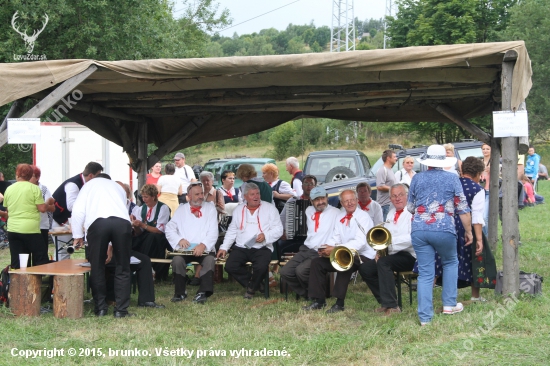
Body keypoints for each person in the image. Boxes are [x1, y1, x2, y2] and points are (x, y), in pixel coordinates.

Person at [407, 144, 472, 326]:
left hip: (419, 229)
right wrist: (468, 231)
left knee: (426, 273)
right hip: (445, 228)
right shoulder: (452, 178)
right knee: (450, 262)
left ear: (427, 162)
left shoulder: (417, 178)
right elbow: (463, 208)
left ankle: (425, 318)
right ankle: (449, 304)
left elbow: (410, 207)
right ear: (444, 161)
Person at [71, 173, 133, 318]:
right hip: (122, 223)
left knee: (97, 267)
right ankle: (121, 310)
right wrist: (110, 245)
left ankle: (101, 308)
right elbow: (120, 211)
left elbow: (78, 211)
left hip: (98, 223)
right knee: (123, 268)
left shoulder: (88, 186)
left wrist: (77, 235)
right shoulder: (118, 187)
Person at [303, 189, 375, 313]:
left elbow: (360, 242)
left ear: (357, 201)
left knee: (345, 262)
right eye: (346, 201)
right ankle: (319, 300)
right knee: (317, 262)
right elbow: (335, 237)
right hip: (344, 251)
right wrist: (325, 248)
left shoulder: (363, 217)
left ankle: (339, 303)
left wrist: (336, 249)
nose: (350, 203)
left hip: (363, 254)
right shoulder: (340, 215)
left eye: (352, 200)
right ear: (341, 203)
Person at [103, 181, 165, 309]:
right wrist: (110, 247)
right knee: (117, 262)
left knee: (145, 260)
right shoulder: (107, 206)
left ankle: (146, 300)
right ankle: (107, 298)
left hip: (123, 246)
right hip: (107, 248)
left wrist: (135, 225)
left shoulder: (129, 207)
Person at [217, 183, 283, 299]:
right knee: (230, 266)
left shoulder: (270, 208)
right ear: (245, 197)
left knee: (261, 266)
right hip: (242, 247)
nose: (256, 196)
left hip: (262, 247)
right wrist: (224, 247)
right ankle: (257, 285)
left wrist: (266, 235)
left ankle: (251, 289)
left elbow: (279, 229)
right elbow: (232, 230)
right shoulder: (238, 209)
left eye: (257, 193)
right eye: (252, 194)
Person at [359, 183, 415, 315]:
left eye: (401, 195)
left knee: (384, 263)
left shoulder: (413, 212)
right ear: (390, 199)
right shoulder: (390, 213)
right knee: (365, 268)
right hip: (394, 254)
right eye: (394, 196)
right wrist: (380, 251)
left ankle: (393, 306)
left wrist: (388, 244)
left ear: (407, 196)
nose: (397, 198)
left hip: (411, 255)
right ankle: (385, 301)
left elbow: (412, 238)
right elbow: (385, 235)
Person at [279, 186, 339, 299]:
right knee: (285, 272)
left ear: (327, 198)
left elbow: (339, 233)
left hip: (321, 251)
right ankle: (308, 294)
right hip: (307, 248)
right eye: (317, 199)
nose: (320, 202)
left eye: (322, 198)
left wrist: (330, 247)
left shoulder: (336, 213)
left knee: (301, 271)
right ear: (311, 201)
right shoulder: (308, 210)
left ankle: (316, 295)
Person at [165, 182, 218, 304]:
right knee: (177, 260)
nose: (200, 196)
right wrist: (179, 240)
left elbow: (213, 231)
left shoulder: (210, 208)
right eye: (197, 194)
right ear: (189, 195)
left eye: (202, 193)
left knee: (209, 261)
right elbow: (169, 228)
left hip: (204, 248)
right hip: (186, 249)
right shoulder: (181, 209)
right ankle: (180, 292)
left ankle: (203, 292)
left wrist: (203, 245)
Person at [455, 157, 497, 301]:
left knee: (447, 261)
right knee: (475, 258)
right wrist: (479, 239)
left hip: (449, 227)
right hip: (468, 229)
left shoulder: (454, 183)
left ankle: (447, 295)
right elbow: (477, 217)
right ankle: (475, 296)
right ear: (478, 173)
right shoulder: (477, 190)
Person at [3, 164, 55, 269]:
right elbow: (42, 209)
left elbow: (8, 210)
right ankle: (41, 283)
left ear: (17, 174)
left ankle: (19, 284)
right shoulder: (34, 188)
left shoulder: (9, 189)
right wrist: (48, 202)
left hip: (13, 229)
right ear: (31, 175)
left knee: (18, 263)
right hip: (30, 230)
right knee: (40, 259)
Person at [51, 162, 103, 260]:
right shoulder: (73, 184)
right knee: (63, 250)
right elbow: (72, 206)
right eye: (98, 176)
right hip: (61, 221)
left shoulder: (85, 184)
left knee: (65, 250)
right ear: (91, 176)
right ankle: (60, 273)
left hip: (70, 220)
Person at [130, 184, 171, 280]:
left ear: (153, 197)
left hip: (160, 238)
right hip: (146, 237)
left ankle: (148, 268)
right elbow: (139, 233)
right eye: (143, 197)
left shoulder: (163, 208)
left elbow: (159, 231)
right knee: (133, 240)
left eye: (146, 197)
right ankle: (135, 267)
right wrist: (135, 225)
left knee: (151, 238)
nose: (144, 199)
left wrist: (142, 225)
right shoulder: (141, 209)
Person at [278, 174, 318, 258]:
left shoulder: (319, 203)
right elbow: (282, 218)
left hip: (313, 239)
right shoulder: (293, 200)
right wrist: (283, 231)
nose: (308, 186)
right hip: (294, 238)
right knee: (279, 244)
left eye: (311, 184)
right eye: (306, 184)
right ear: (302, 186)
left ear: (315, 186)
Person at [30, 165, 53, 248]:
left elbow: (52, 207)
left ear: (37, 177)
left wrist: (43, 205)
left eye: (31, 176)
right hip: (28, 226)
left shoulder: (43, 189)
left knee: (41, 254)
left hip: (41, 225)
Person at [376, 149, 397, 221]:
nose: (396, 158)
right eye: (394, 157)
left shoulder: (390, 169)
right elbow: (380, 186)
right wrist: (394, 189)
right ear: (388, 158)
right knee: (386, 226)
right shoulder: (382, 170)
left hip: (391, 203)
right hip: (385, 205)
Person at [479, 143, 492, 237]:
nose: (485, 151)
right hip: (480, 190)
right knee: (479, 216)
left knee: (484, 217)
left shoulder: (495, 162)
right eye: (483, 149)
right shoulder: (479, 162)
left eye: (487, 149)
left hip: (489, 190)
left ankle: (486, 238)